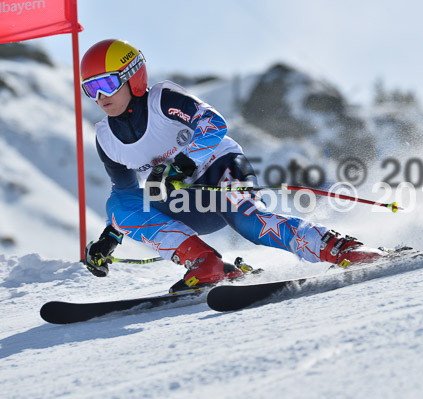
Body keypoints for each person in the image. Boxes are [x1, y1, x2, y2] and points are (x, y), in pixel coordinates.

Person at [81, 39, 387, 291]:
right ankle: (205, 263)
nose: (100, 96)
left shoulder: (162, 100)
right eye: (90, 89)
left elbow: (214, 124)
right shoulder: (106, 138)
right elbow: (127, 196)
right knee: (117, 203)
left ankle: (338, 247)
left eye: (107, 83)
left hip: (219, 171)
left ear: (133, 76)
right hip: (182, 204)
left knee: (248, 222)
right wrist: (109, 239)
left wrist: (182, 165)